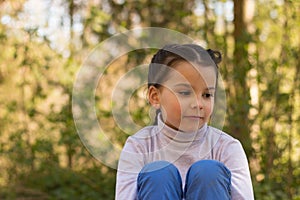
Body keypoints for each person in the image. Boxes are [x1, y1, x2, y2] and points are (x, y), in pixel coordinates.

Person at [115, 44, 254, 200]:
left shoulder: (226, 148)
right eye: (185, 92)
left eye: (207, 95)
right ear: (155, 96)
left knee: (208, 171)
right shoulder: (139, 146)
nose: (198, 104)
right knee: (158, 173)